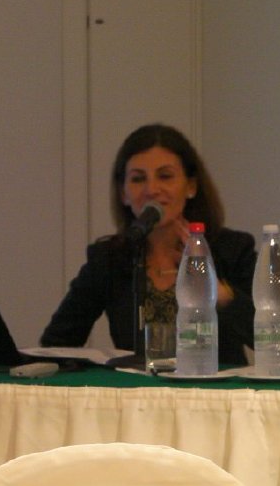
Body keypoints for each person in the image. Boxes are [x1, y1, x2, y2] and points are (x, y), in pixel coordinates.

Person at [40, 123, 256, 365]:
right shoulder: (110, 258)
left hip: (215, 388)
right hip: (135, 388)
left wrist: (219, 292)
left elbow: (269, 337)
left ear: (191, 186)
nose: (151, 189)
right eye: (138, 179)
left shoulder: (232, 249)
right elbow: (55, 344)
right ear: (123, 193)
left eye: (165, 176)